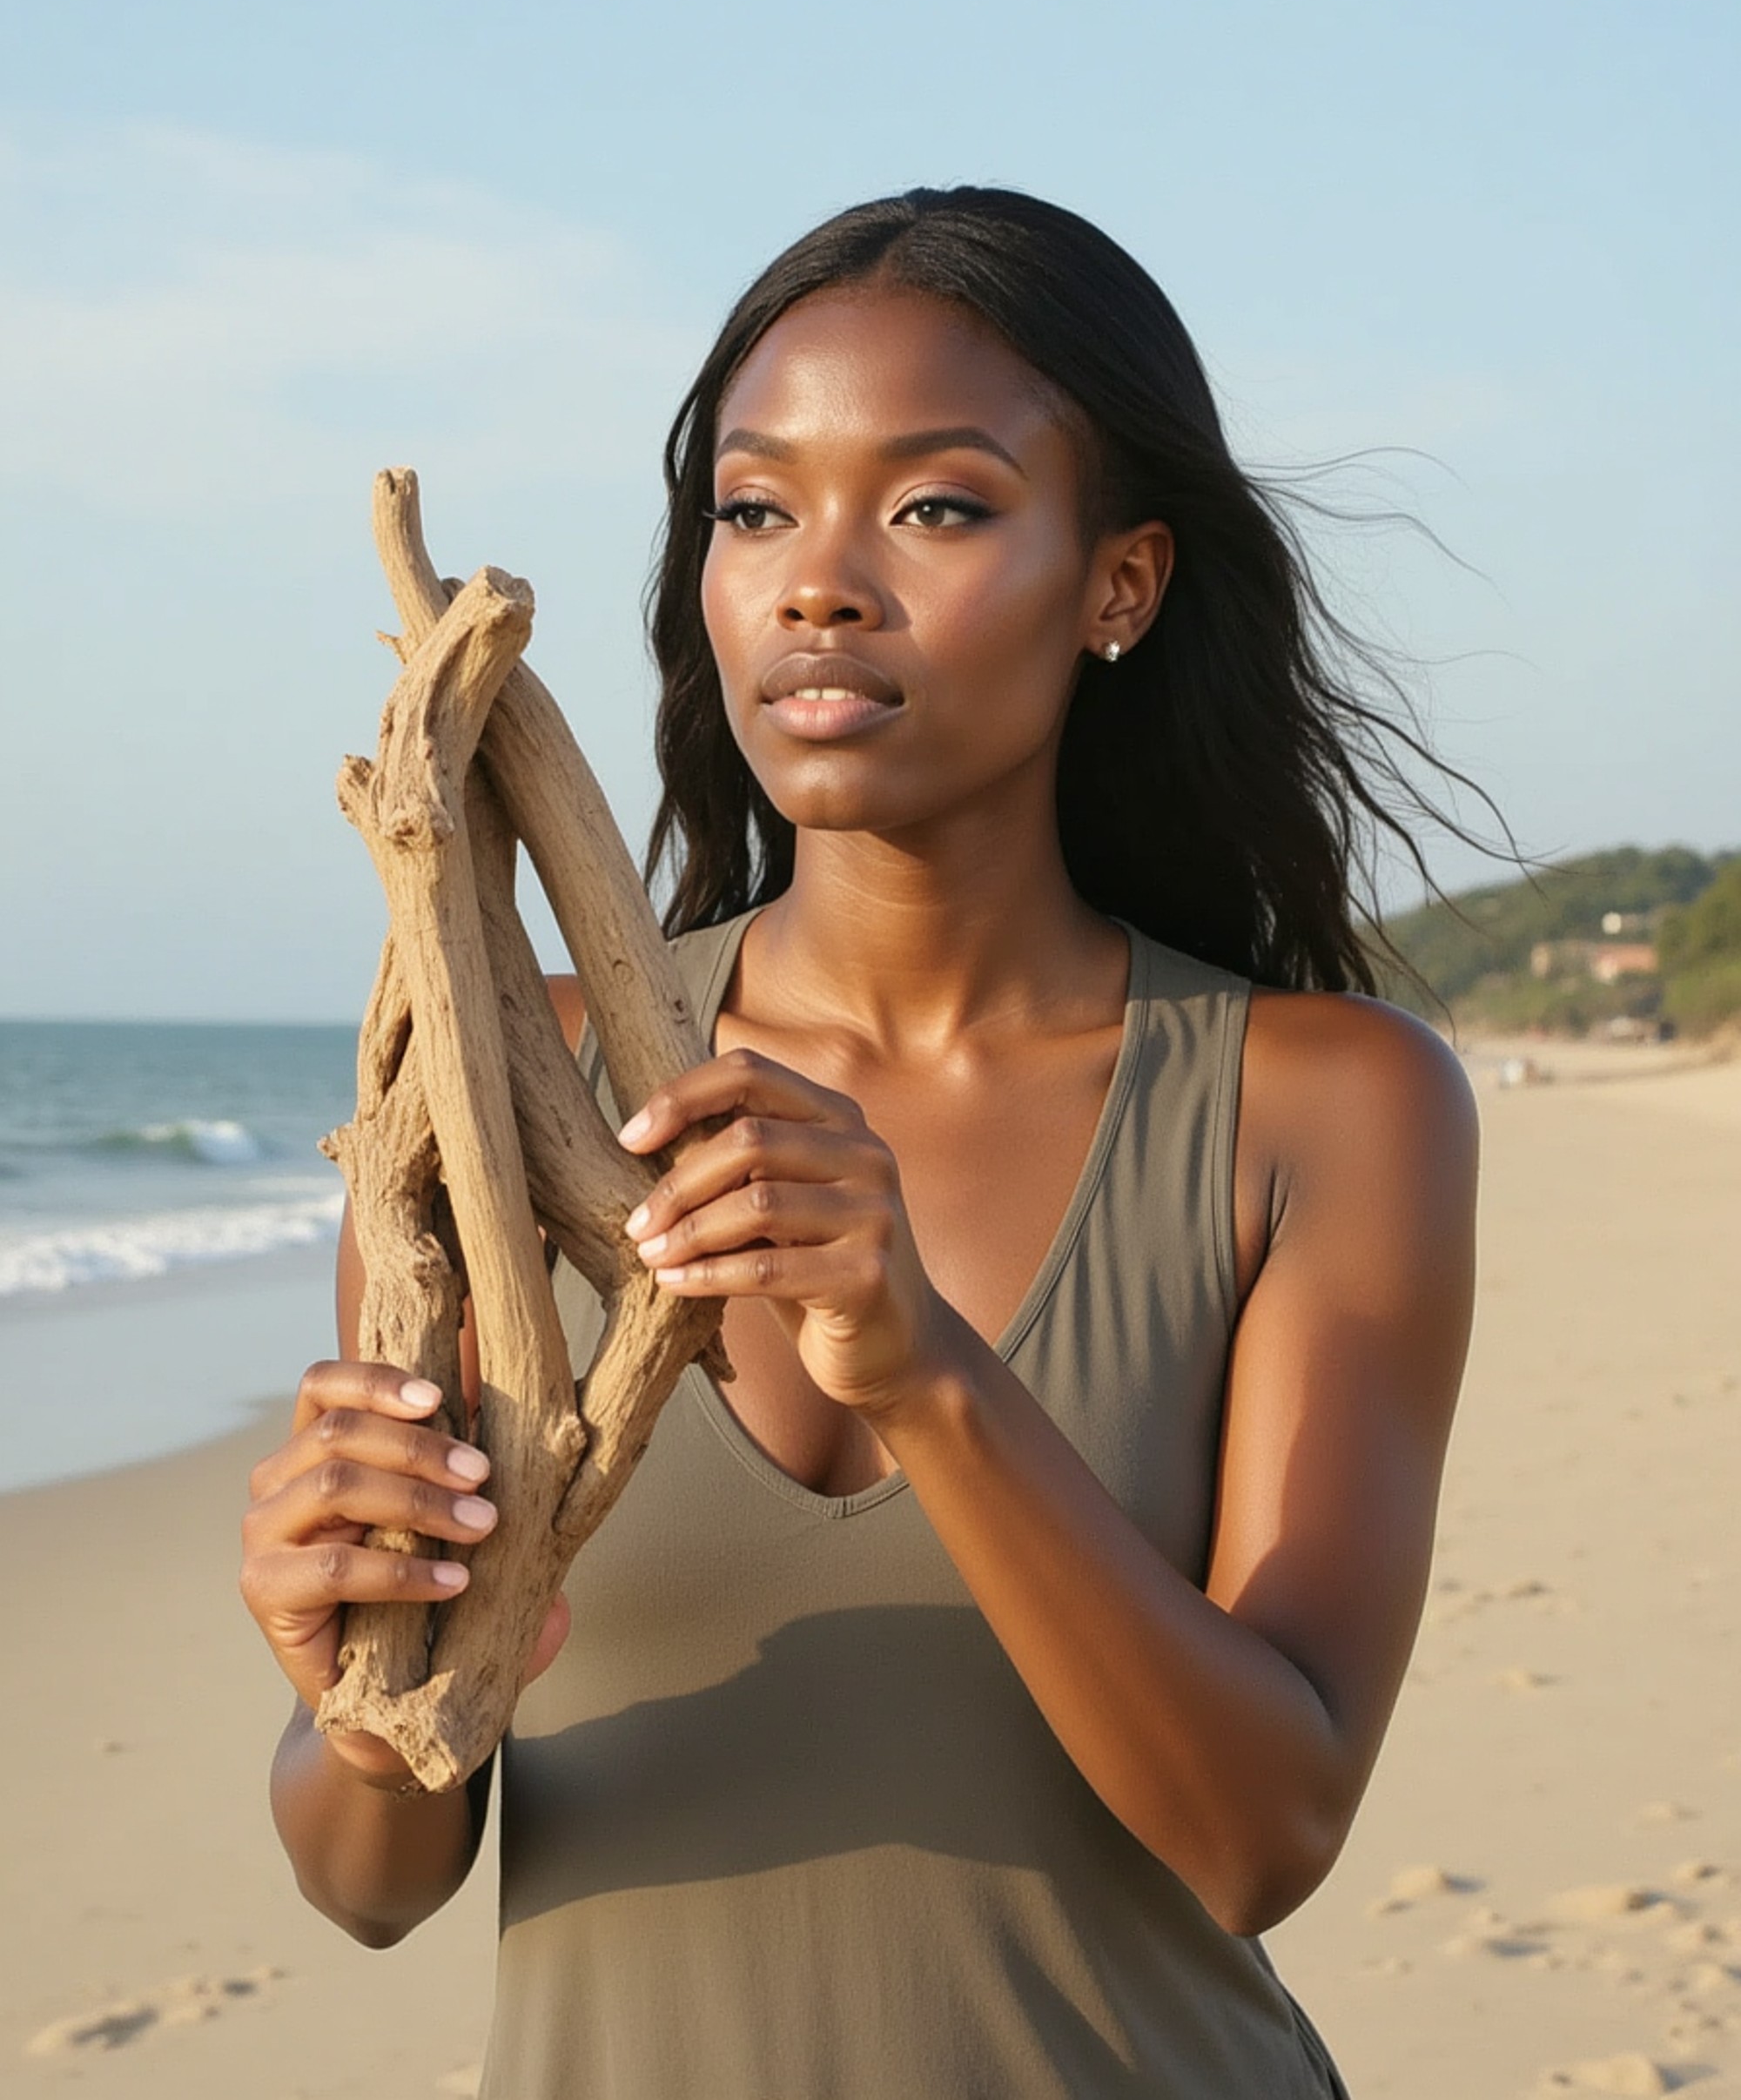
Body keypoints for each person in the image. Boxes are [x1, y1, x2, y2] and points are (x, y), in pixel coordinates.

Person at [241, 187, 1479, 2097]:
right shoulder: (507, 1064)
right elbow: (375, 1876)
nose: (820, 580)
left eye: (937, 506)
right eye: (755, 510)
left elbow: (1265, 1835)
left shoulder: (1321, 1100)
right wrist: (348, 1685)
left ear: (1120, 583)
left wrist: (928, 1373)